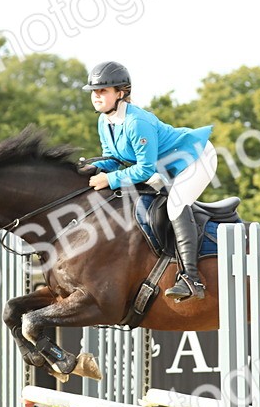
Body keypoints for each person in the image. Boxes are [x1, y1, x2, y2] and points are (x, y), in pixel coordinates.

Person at [80, 61, 216, 301]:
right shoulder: (104, 121)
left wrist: (109, 178)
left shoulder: (137, 122)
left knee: (175, 205)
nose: (96, 96)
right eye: (94, 91)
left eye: (103, 90)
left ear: (120, 93)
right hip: (168, 166)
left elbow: (144, 169)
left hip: (196, 157)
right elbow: (112, 159)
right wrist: (89, 170)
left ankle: (191, 279)